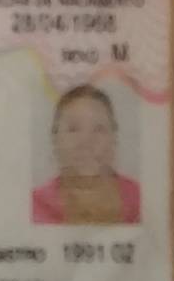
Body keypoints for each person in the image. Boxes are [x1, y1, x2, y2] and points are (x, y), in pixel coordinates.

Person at [31, 85, 141, 226]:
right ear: (55, 140)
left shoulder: (140, 201)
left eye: (99, 129)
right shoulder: (34, 206)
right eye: (73, 129)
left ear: (114, 140)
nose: (86, 141)